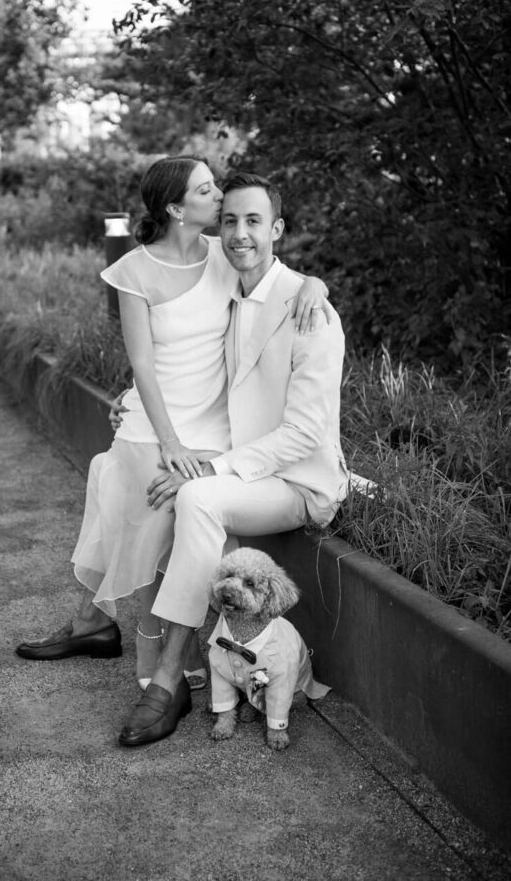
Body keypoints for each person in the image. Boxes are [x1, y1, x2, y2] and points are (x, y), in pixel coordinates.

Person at [15, 156, 330, 689]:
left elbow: (275, 273)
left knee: (163, 517)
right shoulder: (135, 269)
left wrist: (315, 285)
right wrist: (167, 440)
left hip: (210, 424)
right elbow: (143, 362)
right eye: (207, 191)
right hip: (158, 421)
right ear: (177, 208)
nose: (220, 199)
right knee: (147, 510)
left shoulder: (222, 252)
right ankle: (145, 645)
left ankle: (106, 628)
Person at [118, 171, 349, 747]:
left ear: (277, 229)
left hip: (297, 482)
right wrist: (129, 406)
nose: (240, 233)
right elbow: (181, 361)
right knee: (183, 495)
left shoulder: (309, 309)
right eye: (229, 220)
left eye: (254, 221)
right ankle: (187, 659)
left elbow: (302, 433)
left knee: (195, 494)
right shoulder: (230, 292)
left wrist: (212, 467)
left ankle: (168, 676)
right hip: (249, 471)